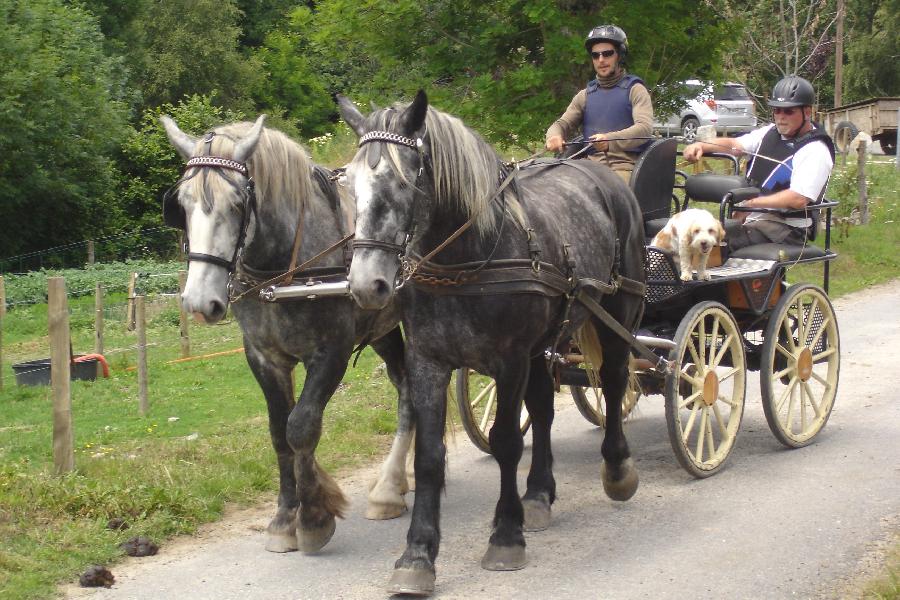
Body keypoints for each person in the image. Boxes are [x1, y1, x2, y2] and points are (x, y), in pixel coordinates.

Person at [682, 75, 835, 250]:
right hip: (755, 219)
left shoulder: (815, 149)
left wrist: (751, 204)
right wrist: (702, 146)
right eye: (776, 110)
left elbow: (798, 199)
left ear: (807, 112)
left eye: (788, 111)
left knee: (717, 245)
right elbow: (735, 146)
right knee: (690, 236)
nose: (780, 116)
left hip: (787, 229)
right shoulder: (770, 132)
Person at [545, 24, 654, 184]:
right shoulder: (585, 95)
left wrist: (609, 140)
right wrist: (554, 136)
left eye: (607, 53)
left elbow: (644, 129)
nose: (601, 60)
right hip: (588, 167)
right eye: (595, 55)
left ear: (620, 55)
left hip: (623, 168)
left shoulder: (636, 90)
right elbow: (562, 123)